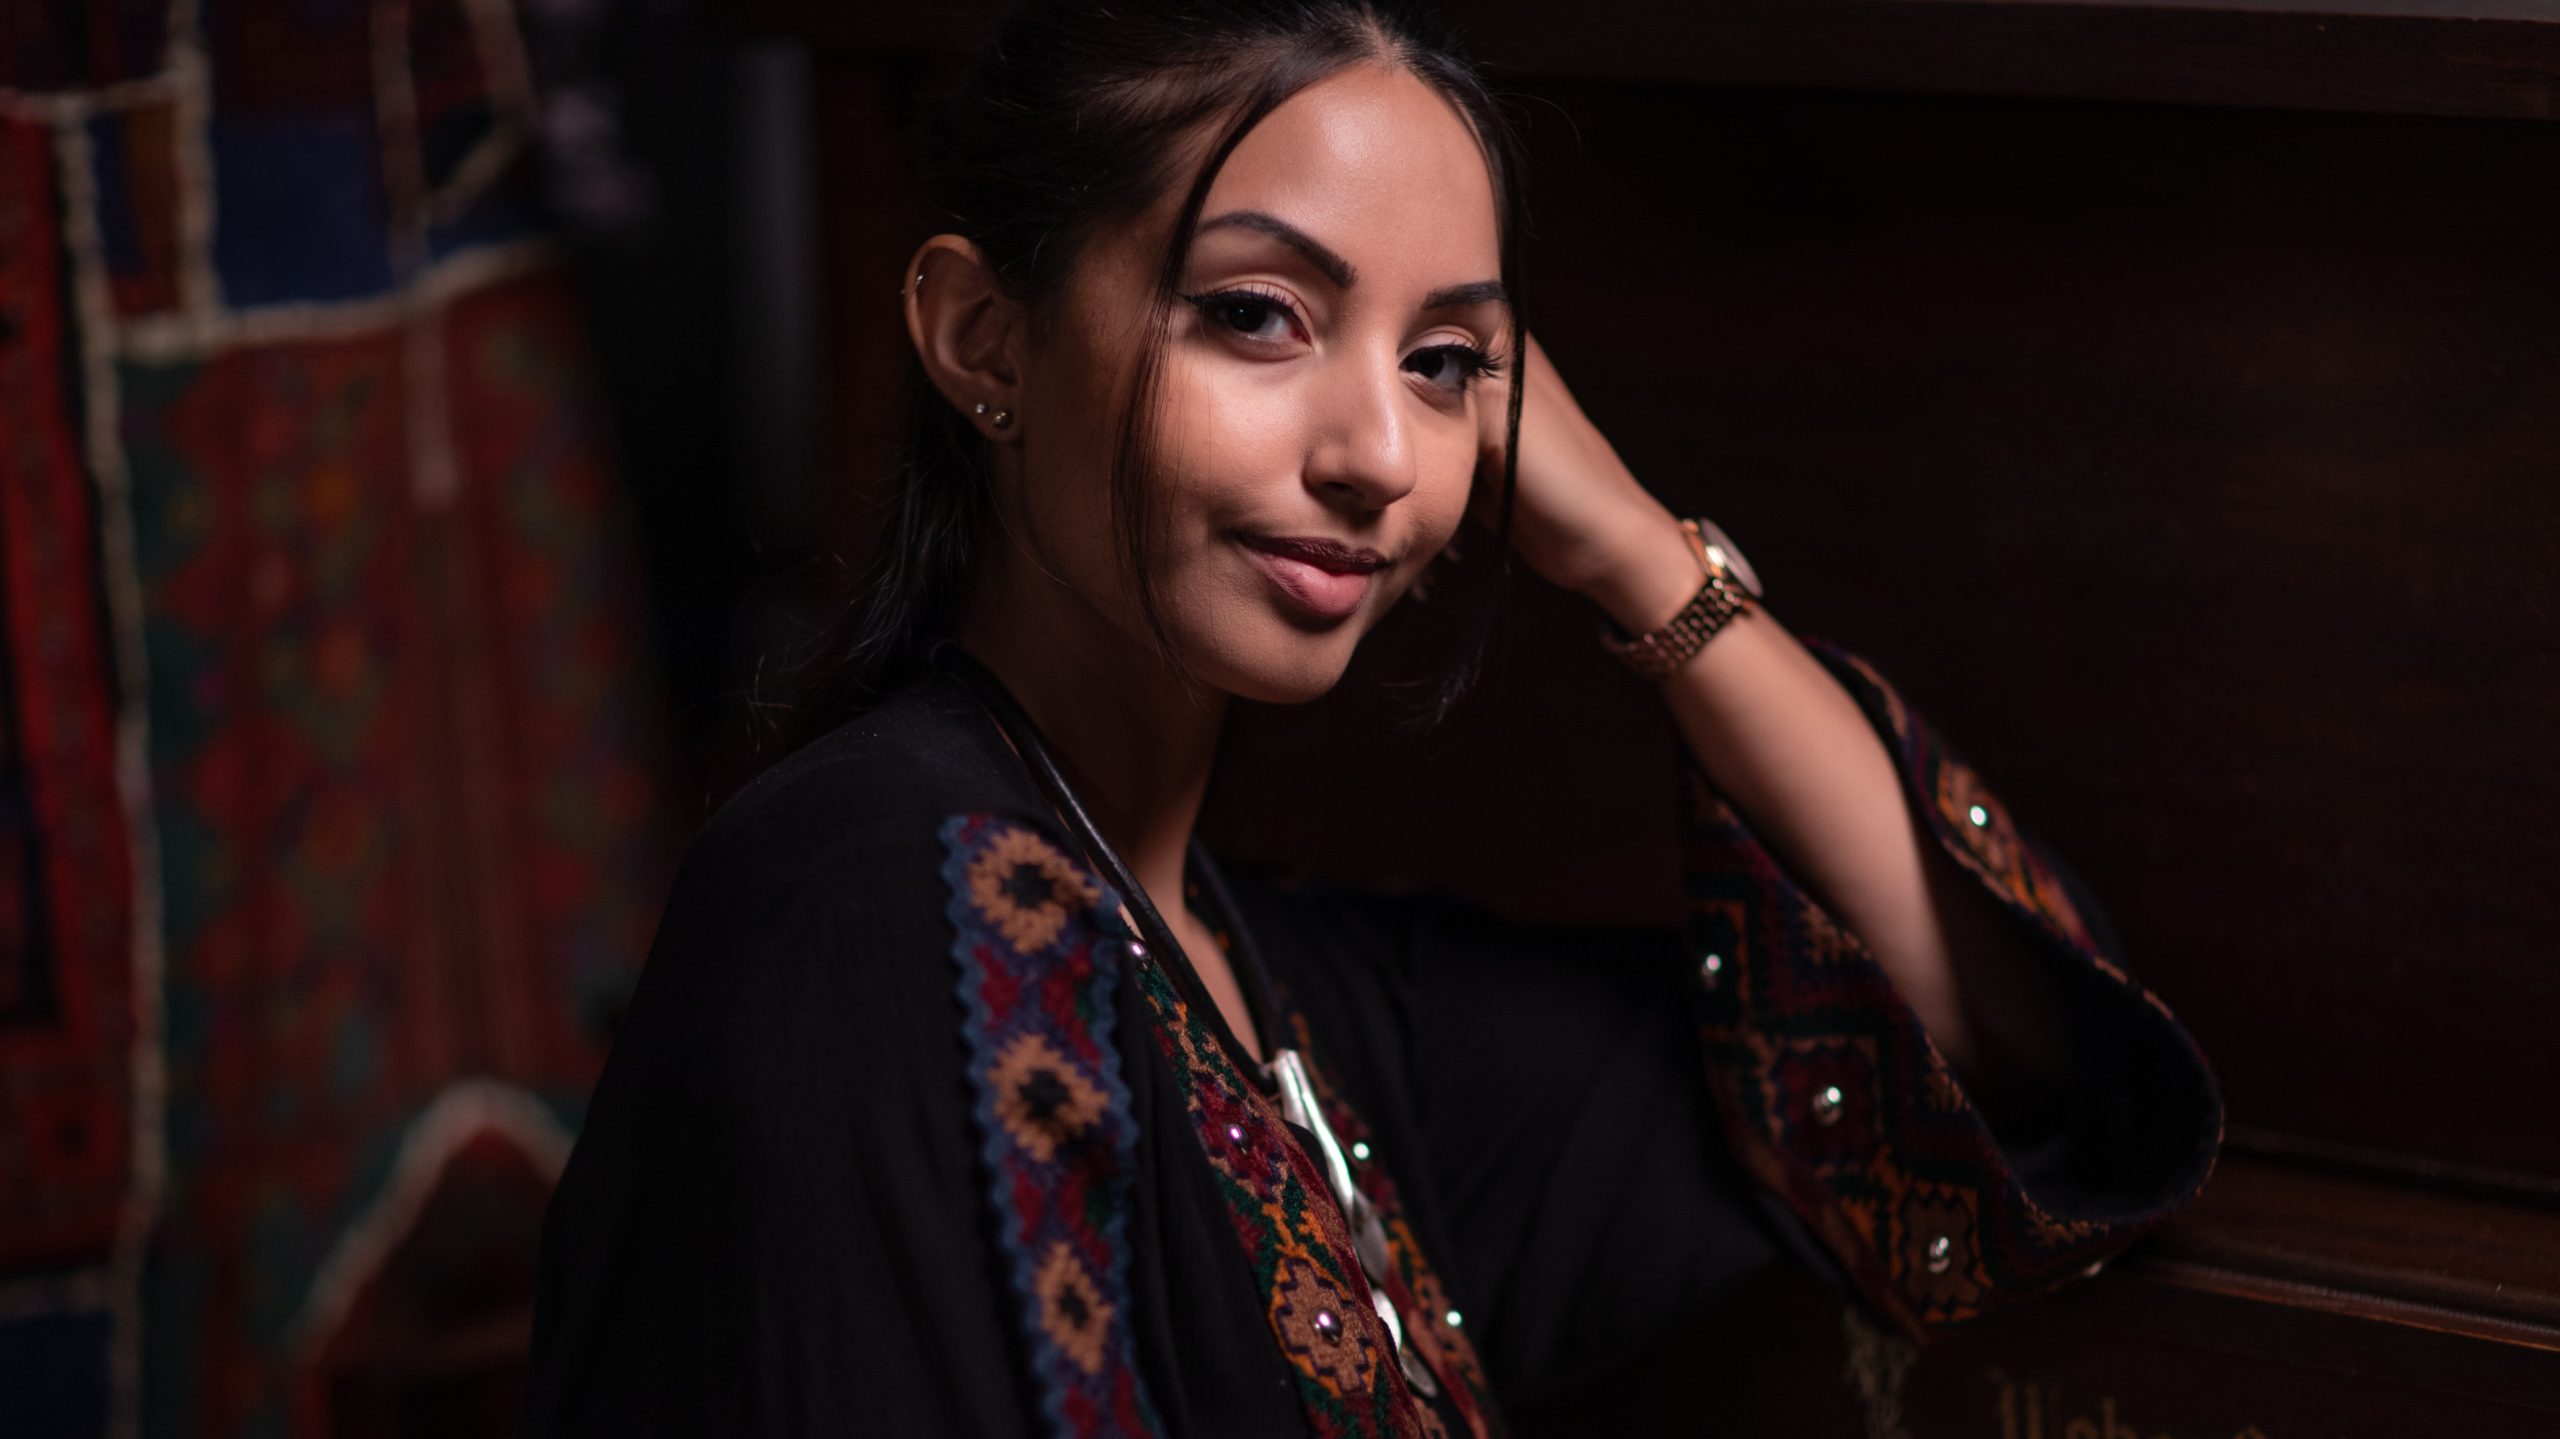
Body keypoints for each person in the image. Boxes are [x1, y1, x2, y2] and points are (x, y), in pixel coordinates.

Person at [521, 1, 2223, 1434]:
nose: (1378, 457)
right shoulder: (896, 890)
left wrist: (1631, 550)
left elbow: (1998, 1079)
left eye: (1446, 364)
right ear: (988, 339)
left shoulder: (1300, 1010)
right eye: (1256, 316)